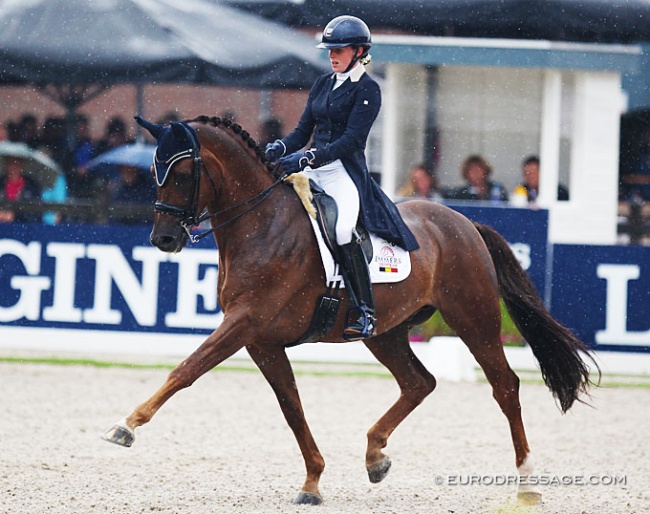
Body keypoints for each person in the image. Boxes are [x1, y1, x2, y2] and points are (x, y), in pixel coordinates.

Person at [265, 15, 419, 340]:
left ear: (359, 50)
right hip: (312, 168)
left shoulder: (368, 89)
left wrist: (309, 156)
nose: (332, 55)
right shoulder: (323, 83)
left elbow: (351, 140)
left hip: (342, 171)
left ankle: (366, 311)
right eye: (330, 49)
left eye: (339, 49)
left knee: (345, 228)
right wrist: (280, 147)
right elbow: (302, 131)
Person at [0, 156, 42, 223]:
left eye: (16, 163)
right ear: (6, 165)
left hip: (23, 228)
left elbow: (36, 211)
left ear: (22, 165)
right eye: (11, 163)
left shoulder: (32, 185)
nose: (13, 167)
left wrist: (15, 215)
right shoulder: (1, 182)